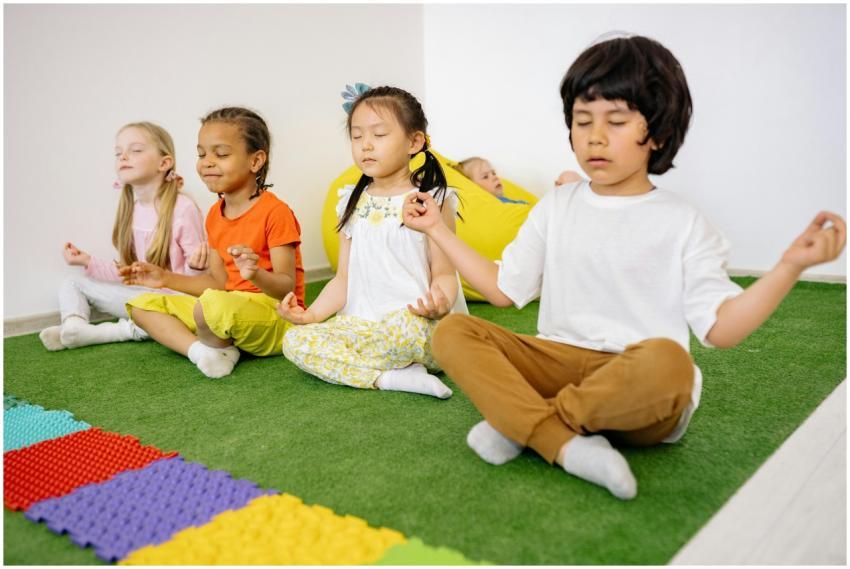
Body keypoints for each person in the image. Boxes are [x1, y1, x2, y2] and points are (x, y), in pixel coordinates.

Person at [402, 34, 845, 499]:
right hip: (559, 362)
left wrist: (789, 266)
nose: (595, 136)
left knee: (671, 361)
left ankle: (525, 425)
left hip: (639, 389)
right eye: (582, 120)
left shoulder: (684, 222)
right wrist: (438, 230)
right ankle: (563, 444)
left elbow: (720, 330)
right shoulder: (556, 205)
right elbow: (502, 291)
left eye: (615, 121)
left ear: (656, 132)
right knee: (454, 332)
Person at [278, 85, 466, 399]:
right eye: (356, 136)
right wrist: (310, 316)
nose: (366, 145)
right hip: (363, 327)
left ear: (414, 142)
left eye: (379, 135)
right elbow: (343, 279)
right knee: (295, 342)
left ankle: (384, 365)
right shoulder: (349, 202)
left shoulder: (432, 198)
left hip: (416, 327)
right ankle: (390, 377)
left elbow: (444, 274)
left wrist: (439, 303)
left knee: (405, 331)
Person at [122, 107, 305, 379]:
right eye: (201, 154)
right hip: (225, 306)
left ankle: (218, 346)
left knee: (212, 306)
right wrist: (164, 278)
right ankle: (201, 352)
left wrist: (255, 273)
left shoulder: (275, 212)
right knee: (142, 305)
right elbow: (219, 283)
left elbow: (285, 288)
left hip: (275, 314)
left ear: (255, 161)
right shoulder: (214, 215)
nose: (207, 162)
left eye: (220, 154)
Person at [39, 122, 205, 351]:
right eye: (119, 152)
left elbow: (201, 281)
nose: (124, 156)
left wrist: (196, 266)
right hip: (142, 296)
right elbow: (128, 275)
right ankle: (75, 327)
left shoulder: (183, 208)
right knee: (72, 282)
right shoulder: (132, 209)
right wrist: (88, 262)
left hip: (173, 300)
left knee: (153, 312)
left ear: (164, 163)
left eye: (135, 150)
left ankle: (118, 331)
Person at [455, 157, 583, 203]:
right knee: (568, 177)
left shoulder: (505, 199)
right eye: (485, 176)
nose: (494, 177)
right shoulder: (495, 205)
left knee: (568, 176)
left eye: (493, 173)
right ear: (473, 187)